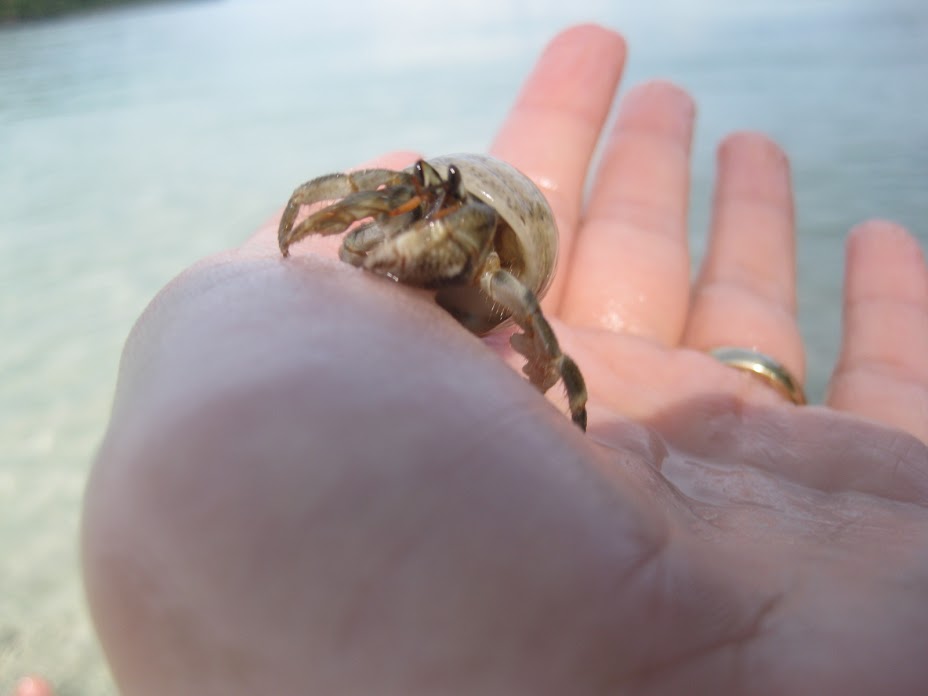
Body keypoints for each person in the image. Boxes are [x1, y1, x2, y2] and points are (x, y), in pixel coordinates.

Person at [78, 23, 928, 696]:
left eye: (437, 200)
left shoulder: (489, 256)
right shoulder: (424, 196)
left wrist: (558, 383)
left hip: (502, 259)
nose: (420, 202)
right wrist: (305, 241)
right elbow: (342, 204)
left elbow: (522, 309)